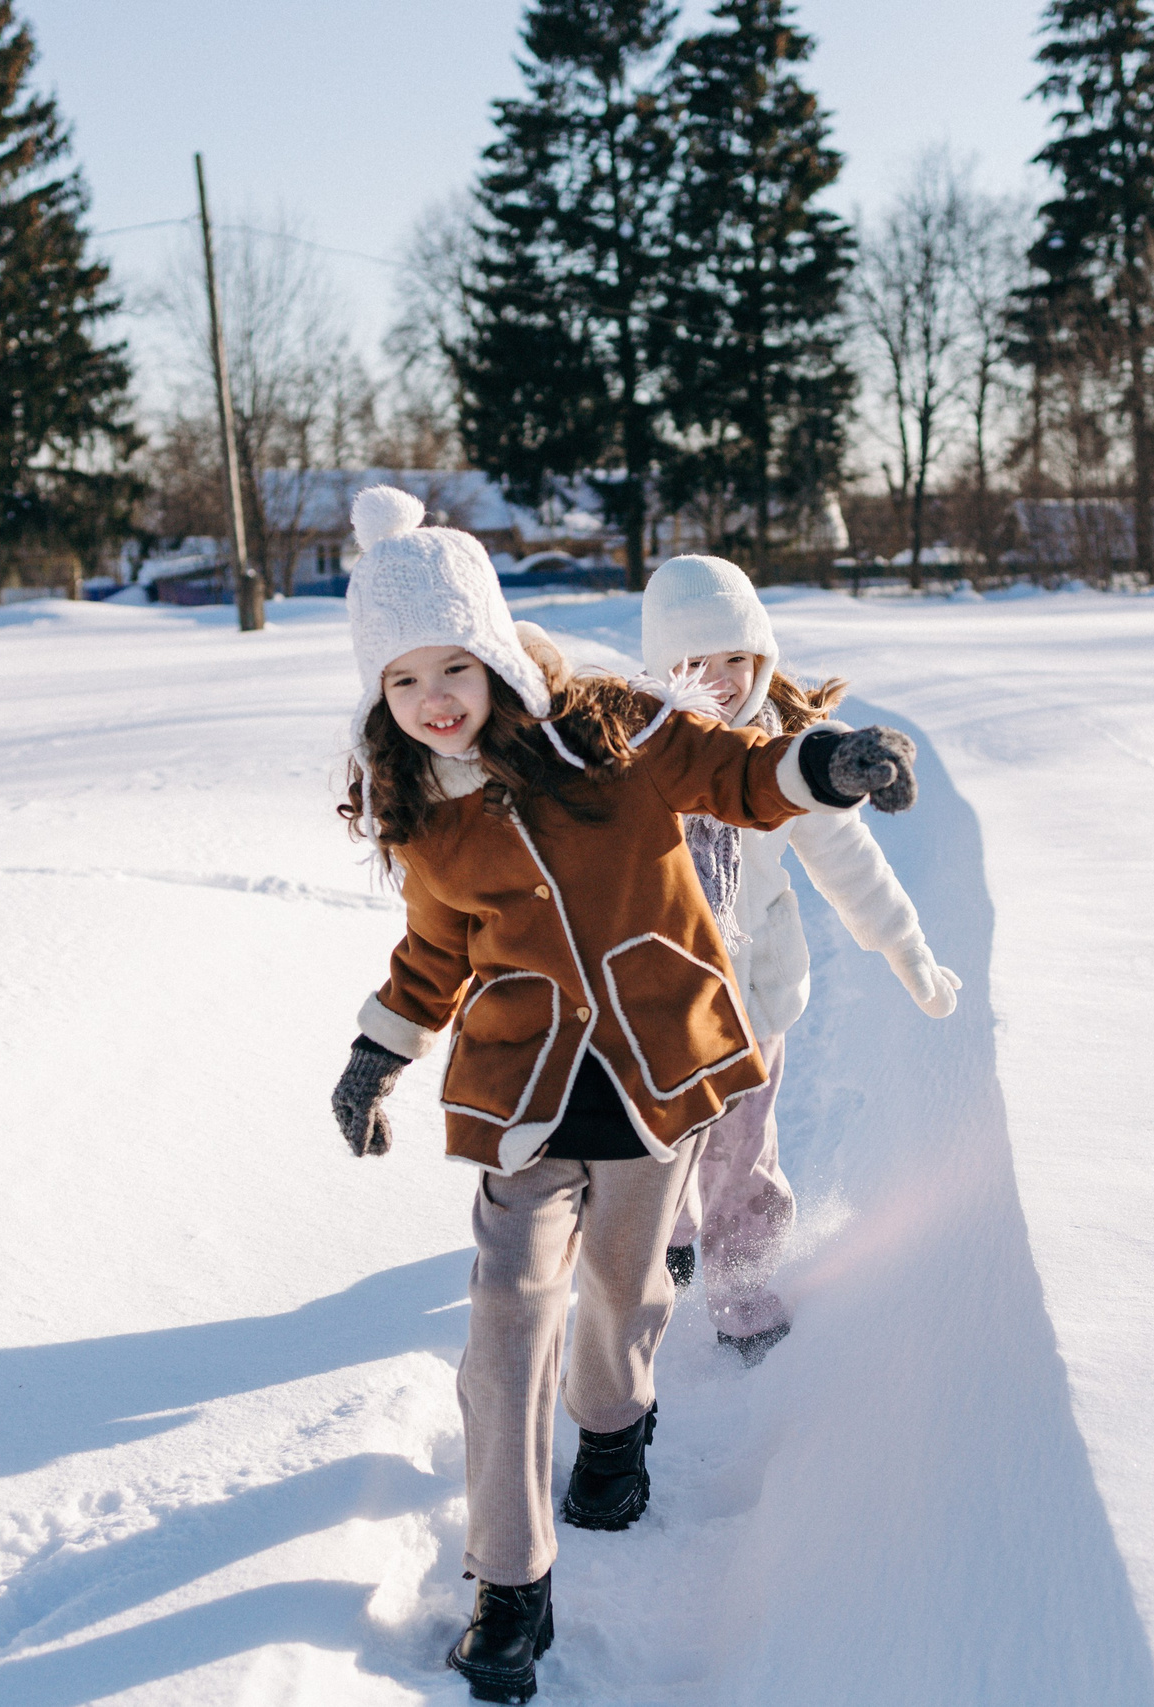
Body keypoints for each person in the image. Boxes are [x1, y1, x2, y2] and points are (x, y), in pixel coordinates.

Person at [324, 487, 922, 1704]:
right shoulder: (427, 815)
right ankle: (507, 1586)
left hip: (660, 1068)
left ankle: (614, 1425)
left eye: (454, 665)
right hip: (525, 1093)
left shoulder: (622, 736)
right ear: (377, 698)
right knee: (504, 1319)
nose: (434, 698)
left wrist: (830, 766)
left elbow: (745, 773)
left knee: (623, 1289)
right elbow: (434, 953)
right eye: (401, 682)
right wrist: (378, 1050)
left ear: (496, 651)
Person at [639, 556, 962, 1366]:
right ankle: (670, 1237)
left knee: (743, 1158)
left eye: (735, 660)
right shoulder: (635, 758)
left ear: (763, 658)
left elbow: (852, 864)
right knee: (657, 1152)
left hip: (752, 1007)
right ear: (658, 667)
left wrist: (906, 948)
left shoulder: (786, 760)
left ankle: (744, 1293)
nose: (718, 681)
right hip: (654, 1015)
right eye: (692, 664)